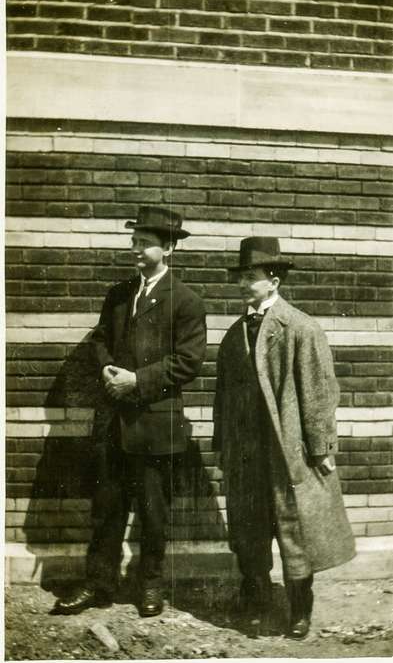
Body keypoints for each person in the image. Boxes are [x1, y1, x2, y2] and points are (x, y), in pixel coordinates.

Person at [55, 206, 206, 617]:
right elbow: (100, 339)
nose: (135, 249)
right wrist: (106, 366)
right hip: (113, 424)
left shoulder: (187, 301)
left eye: (144, 243)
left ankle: (150, 585)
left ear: (169, 249)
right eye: (134, 241)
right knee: (106, 507)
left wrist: (136, 381)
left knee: (154, 513)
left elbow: (188, 361)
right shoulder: (119, 294)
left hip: (155, 425)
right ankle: (99, 584)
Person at [213, 236, 355, 639]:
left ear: (273, 280)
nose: (244, 284)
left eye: (252, 277)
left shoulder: (299, 328)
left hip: (287, 451)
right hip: (246, 455)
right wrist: (223, 446)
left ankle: (299, 610)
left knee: (297, 535)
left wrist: (321, 447)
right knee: (249, 533)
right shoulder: (233, 334)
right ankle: (257, 601)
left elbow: (319, 391)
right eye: (241, 277)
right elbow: (222, 397)